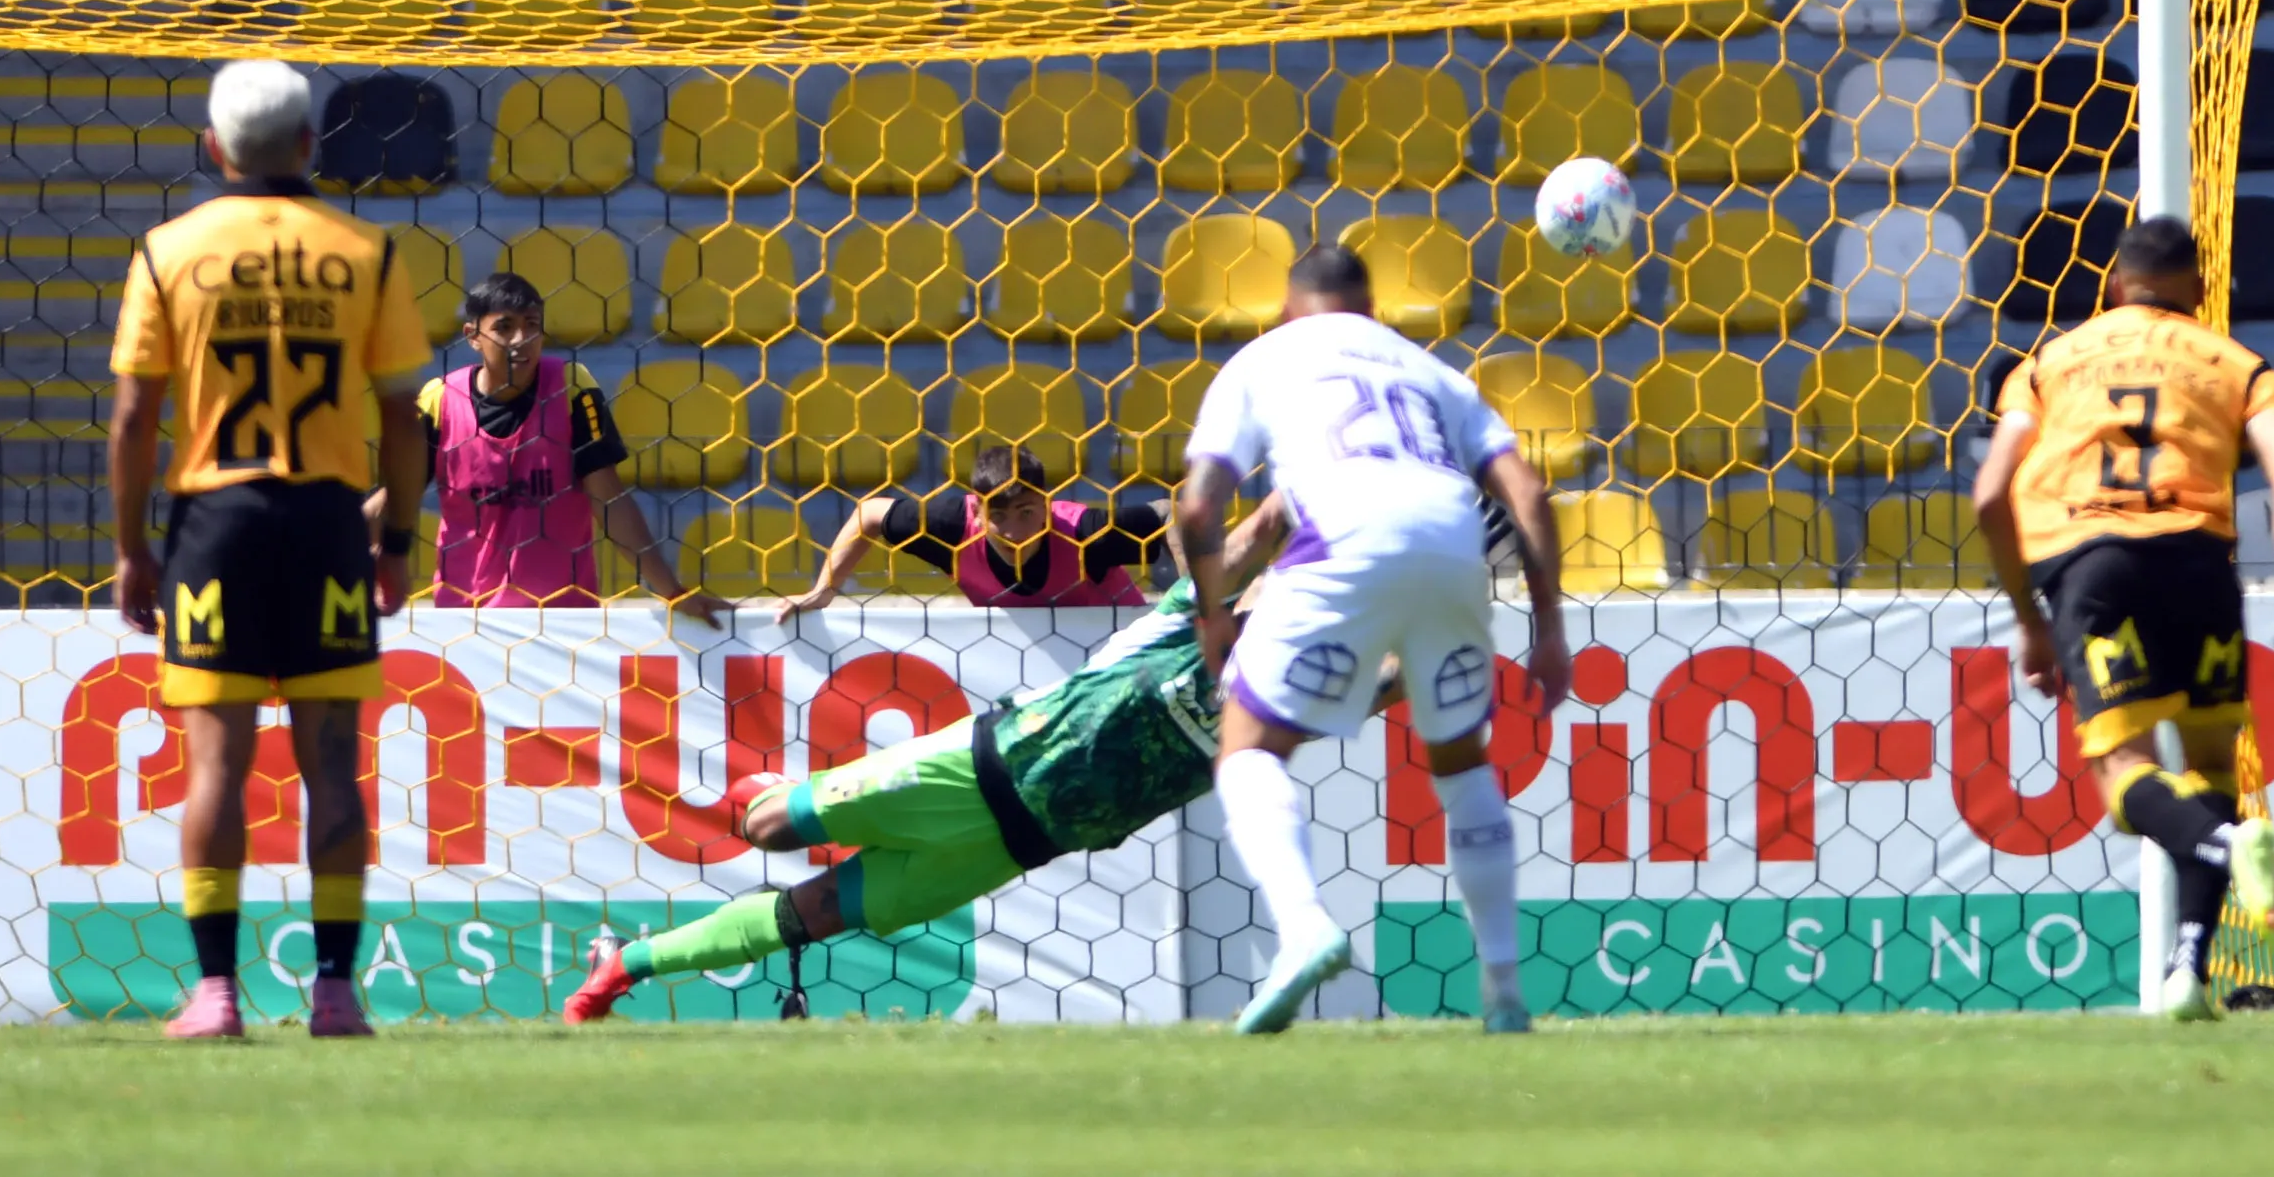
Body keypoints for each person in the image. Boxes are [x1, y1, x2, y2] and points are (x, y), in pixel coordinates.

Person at [562, 500, 1291, 1024]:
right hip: (972, 770)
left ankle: (622, 964)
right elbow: (1259, 529)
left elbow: (1388, 676)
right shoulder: (1179, 623)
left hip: (1009, 849)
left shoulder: (1284, 704)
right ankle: (788, 789)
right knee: (768, 825)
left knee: (811, 915)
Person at [109, 60, 434, 1040]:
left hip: (218, 523)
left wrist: (132, 549)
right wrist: (396, 538)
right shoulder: (366, 252)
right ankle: (335, 990)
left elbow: (134, 415)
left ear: (213, 148)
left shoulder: (170, 252)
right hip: (328, 517)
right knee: (332, 760)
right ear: (309, 145)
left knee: (216, 764)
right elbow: (405, 418)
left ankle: (215, 992)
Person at [1177, 243, 1568, 1038]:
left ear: (1288, 308)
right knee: (1460, 763)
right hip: (1452, 541)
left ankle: (1302, 928)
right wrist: (1549, 630)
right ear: (1372, 311)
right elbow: (1526, 490)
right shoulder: (1432, 371)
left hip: (1336, 536)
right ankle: (1502, 994)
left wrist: (1211, 612)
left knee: (1248, 748)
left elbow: (1196, 507)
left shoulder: (1259, 360)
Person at [1972, 213, 2274, 1020]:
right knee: (2207, 768)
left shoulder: (2049, 362)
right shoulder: (2241, 364)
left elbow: (1990, 492)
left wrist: (2027, 619)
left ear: (2114, 285)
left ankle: (2224, 852)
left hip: (2094, 566)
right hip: (2199, 566)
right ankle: (2187, 974)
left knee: (2121, 771)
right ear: (2201, 290)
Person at [419, 270, 727, 625]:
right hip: (464, 624)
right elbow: (396, 499)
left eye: (532, 325)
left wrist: (672, 591)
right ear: (473, 336)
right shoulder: (439, 399)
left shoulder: (571, 388)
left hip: (563, 623)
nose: (522, 338)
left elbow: (608, 499)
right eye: (504, 327)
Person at [781, 444, 1162, 612]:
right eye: (998, 516)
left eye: (1027, 513)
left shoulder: (1087, 534)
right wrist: (823, 590)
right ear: (977, 511)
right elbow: (869, 513)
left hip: (1110, 655)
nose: (1013, 532)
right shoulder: (951, 528)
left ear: (1047, 505)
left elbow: (1168, 514)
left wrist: (1199, 594)